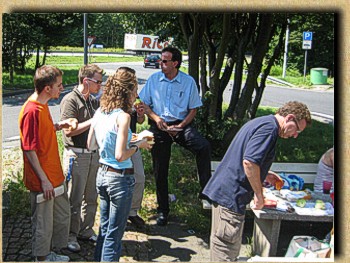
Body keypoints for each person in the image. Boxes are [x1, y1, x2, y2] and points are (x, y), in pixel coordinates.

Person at [202, 101, 312, 261]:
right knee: (225, 255)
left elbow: (245, 158)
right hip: (230, 197)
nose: (295, 135)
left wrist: (264, 174)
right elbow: (249, 162)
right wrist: (259, 195)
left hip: (226, 195)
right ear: (289, 118)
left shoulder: (263, 122)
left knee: (226, 252)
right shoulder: (269, 129)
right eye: (297, 130)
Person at [139, 46, 212, 226]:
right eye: (161, 60)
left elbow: (194, 108)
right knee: (160, 169)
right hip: (159, 126)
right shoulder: (154, 79)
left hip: (181, 125)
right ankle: (163, 210)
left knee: (203, 146)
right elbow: (144, 104)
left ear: (175, 63)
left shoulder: (188, 82)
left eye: (165, 61)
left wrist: (181, 125)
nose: (160, 64)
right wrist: (157, 120)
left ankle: (206, 190)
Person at [87, 67, 151, 261]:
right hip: (119, 180)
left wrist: (126, 142)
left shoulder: (100, 112)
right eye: (135, 91)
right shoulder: (123, 117)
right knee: (115, 235)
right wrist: (139, 145)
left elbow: (90, 144)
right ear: (127, 92)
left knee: (104, 229)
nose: (136, 95)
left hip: (102, 175)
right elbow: (121, 155)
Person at [18, 65, 76, 262]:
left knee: (60, 216)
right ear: (47, 88)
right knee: (43, 222)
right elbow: (29, 148)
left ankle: (51, 251)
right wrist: (43, 180)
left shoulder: (42, 106)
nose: (62, 88)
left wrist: (60, 125)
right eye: (59, 85)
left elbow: (42, 133)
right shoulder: (31, 110)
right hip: (43, 179)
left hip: (54, 175)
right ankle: (41, 258)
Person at [59, 64, 104, 252]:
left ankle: (86, 230)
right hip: (76, 155)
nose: (100, 86)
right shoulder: (70, 100)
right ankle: (70, 235)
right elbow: (68, 129)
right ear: (86, 81)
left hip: (93, 155)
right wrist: (93, 121)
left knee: (91, 196)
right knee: (74, 198)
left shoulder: (93, 101)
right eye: (98, 82)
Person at [128, 96, 148, 228]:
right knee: (121, 180)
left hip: (133, 141)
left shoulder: (134, 100)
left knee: (139, 177)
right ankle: (120, 215)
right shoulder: (115, 101)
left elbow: (139, 121)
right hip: (119, 143)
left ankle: (132, 212)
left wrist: (140, 115)